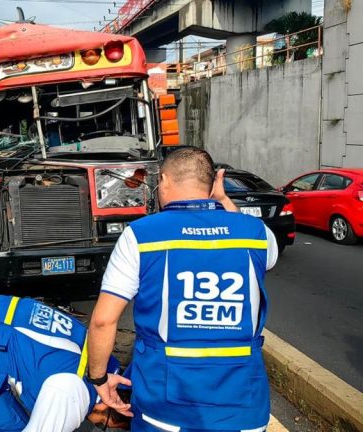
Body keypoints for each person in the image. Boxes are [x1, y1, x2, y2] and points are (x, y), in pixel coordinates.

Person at [86, 147, 279, 432]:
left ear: (163, 180)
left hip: (165, 407)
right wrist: (224, 199)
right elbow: (264, 256)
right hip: (244, 405)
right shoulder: (258, 234)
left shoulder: (141, 236)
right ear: (214, 183)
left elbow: (104, 320)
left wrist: (99, 380)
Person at [0, 292, 130, 432]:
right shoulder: (73, 391)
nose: (98, 424)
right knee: (9, 425)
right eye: (104, 424)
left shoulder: (96, 352)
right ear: (109, 405)